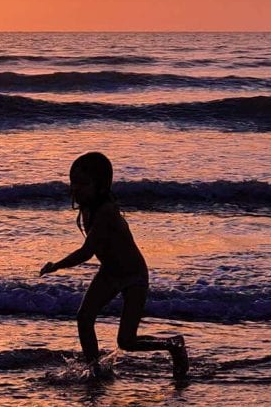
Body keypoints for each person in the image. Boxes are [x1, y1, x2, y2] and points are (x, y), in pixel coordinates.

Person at [40, 152, 189, 378]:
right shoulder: (87, 208)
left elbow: (86, 252)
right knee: (84, 318)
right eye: (73, 183)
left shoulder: (106, 212)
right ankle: (95, 368)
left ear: (101, 185)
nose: (76, 189)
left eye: (83, 183)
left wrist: (57, 265)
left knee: (126, 341)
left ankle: (173, 344)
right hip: (110, 272)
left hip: (134, 275)